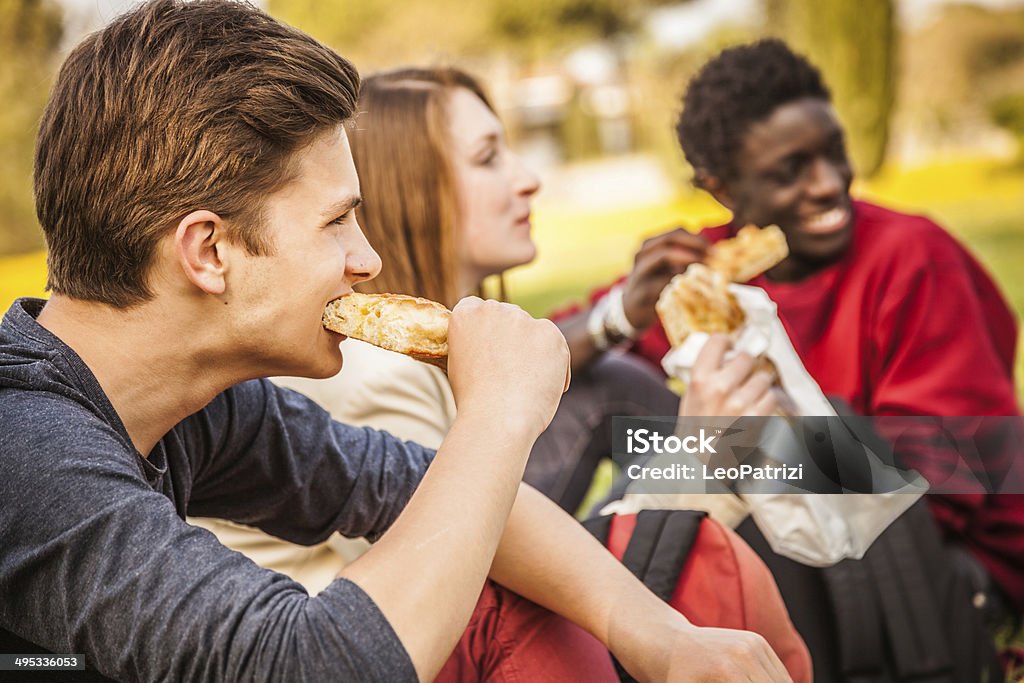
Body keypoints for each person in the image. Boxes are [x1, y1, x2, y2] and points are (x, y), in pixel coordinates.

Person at [0, 2, 794, 681]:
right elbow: (320, 662)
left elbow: (407, 486)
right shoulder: (27, 450)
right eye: (336, 220)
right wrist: (502, 416)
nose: (367, 259)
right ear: (208, 252)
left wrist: (665, 638)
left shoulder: (200, 408)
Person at [193, 67, 810, 678]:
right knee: (771, 483)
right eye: (489, 157)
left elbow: (550, 360)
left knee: (765, 441)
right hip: (429, 645)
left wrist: (620, 318)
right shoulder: (368, 372)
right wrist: (695, 464)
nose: (529, 179)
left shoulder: (404, 352)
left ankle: (862, 501)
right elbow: (458, 601)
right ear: (411, 187)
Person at [568, 39, 1024, 615]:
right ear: (722, 189)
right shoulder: (706, 281)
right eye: (791, 170)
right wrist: (621, 314)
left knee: (691, 489)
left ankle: (598, 597)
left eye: (835, 153)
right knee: (606, 389)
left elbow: (943, 478)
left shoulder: (912, 257)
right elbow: (540, 362)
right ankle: (541, 590)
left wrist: (734, 451)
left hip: (937, 558)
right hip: (797, 525)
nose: (830, 183)